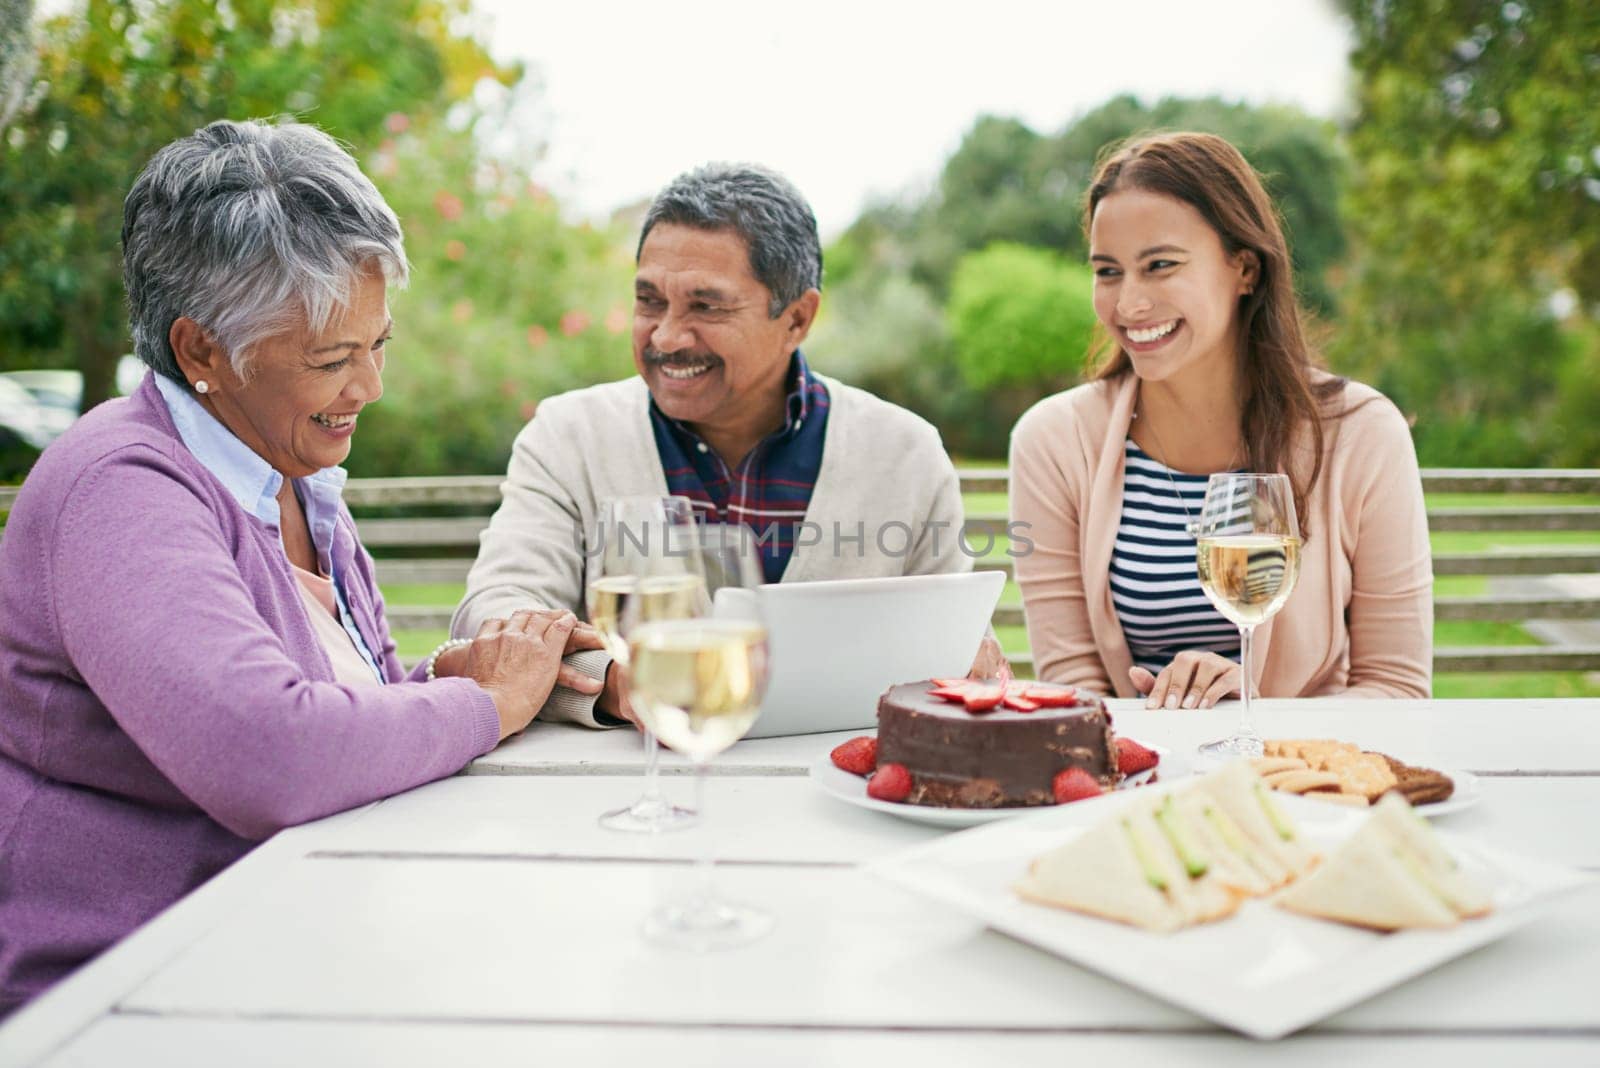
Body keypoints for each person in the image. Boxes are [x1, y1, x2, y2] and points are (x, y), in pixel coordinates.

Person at [0, 119, 602, 1014]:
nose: (371, 388)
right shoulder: (118, 490)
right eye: (333, 359)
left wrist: (449, 674)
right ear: (202, 350)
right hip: (127, 995)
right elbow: (269, 754)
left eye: (378, 344)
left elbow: (358, 702)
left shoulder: (286, 476)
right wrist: (485, 703)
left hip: (290, 941)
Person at [453, 162, 1002, 727]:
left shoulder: (905, 453)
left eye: (707, 306)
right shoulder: (569, 435)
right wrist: (618, 685)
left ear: (797, 319)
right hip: (619, 794)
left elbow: (958, 648)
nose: (666, 336)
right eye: (649, 301)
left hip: (835, 793)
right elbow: (497, 617)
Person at [1009, 132, 1431, 708]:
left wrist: (1256, 717)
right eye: (1108, 272)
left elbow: (1398, 688)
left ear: (1245, 269)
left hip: (1301, 780)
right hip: (1133, 778)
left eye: (1160, 265)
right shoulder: (1053, 441)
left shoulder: (1359, 432)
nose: (1129, 304)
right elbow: (1071, 688)